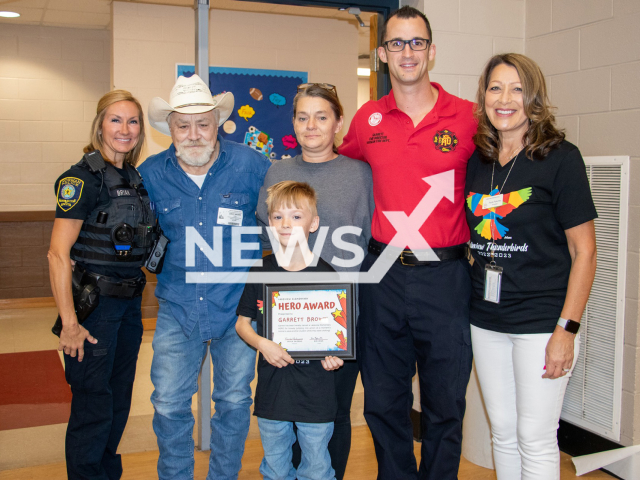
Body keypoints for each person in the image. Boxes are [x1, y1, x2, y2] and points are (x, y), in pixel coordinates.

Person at [339, 6, 477, 479]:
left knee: (445, 404)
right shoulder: (367, 118)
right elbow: (340, 170)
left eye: (417, 42)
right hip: (384, 276)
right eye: (397, 43)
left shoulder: (467, 117)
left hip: (446, 277)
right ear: (382, 54)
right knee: (383, 401)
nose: (407, 52)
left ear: (432, 51)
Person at [465, 53, 597, 479]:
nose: (505, 99)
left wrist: (567, 330)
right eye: (495, 88)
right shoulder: (478, 159)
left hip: (542, 322)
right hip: (485, 318)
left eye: (517, 89)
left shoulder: (561, 158)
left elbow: (585, 252)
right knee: (501, 432)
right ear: (484, 96)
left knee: (535, 435)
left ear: (534, 98)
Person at [138, 74, 271, 480]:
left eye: (203, 124)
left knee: (233, 403)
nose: (194, 134)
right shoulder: (150, 174)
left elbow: (282, 224)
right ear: (170, 129)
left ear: (218, 125)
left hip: (238, 312)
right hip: (179, 308)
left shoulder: (252, 165)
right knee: (168, 404)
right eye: (183, 125)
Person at [256, 83, 374, 479]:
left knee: (332, 418)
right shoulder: (278, 171)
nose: (311, 125)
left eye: (322, 117)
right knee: (282, 420)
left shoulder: (360, 174)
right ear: (293, 122)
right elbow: (266, 239)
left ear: (338, 123)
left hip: (335, 323)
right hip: (285, 323)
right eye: (302, 117)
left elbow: (370, 241)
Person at [48, 89, 153, 479]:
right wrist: (70, 323)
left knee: (118, 400)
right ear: (99, 125)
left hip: (129, 306)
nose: (124, 129)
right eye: (115, 120)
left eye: (133, 121)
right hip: (93, 308)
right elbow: (57, 255)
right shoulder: (81, 178)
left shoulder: (134, 177)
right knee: (93, 406)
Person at [237, 180, 345, 480]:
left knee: (318, 468)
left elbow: (337, 335)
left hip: (316, 393)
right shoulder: (260, 270)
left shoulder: (327, 273)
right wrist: (262, 343)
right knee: (275, 467)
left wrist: (335, 355)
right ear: (269, 223)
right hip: (273, 391)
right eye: (277, 217)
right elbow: (242, 324)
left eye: (296, 216)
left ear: (314, 223)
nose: (286, 224)